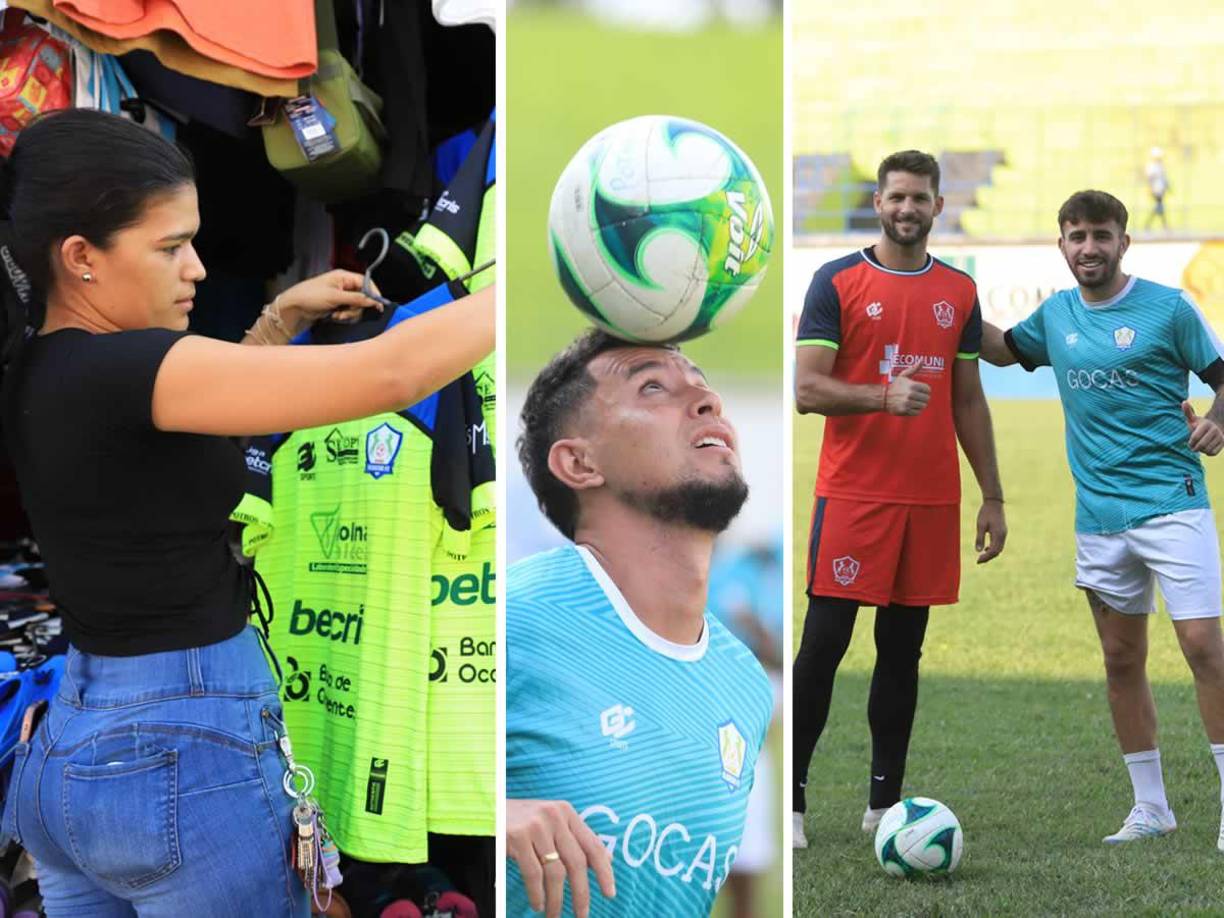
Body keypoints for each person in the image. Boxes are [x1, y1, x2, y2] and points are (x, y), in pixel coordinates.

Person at [0, 109, 494, 916]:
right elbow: (393, 374)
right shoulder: (131, 368)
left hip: (75, 756)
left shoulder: (45, 369)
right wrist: (541, 279)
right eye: (170, 248)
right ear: (81, 257)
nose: (196, 268)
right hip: (179, 757)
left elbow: (209, 408)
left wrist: (279, 320)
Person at [979, 189, 1224, 848]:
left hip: (1173, 504)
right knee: (1120, 660)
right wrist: (940, 301)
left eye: (1101, 235)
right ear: (1061, 244)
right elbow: (1004, 350)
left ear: (1123, 241)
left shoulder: (1167, 309)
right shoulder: (1057, 315)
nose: (1089, 248)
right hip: (1098, 518)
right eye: (1077, 236)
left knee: (1205, 649)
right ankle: (1151, 808)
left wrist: (1217, 423)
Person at [506, 331, 773, 917]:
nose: (707, 400)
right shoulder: (514, 621)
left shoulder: (746, 687)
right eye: (652, 387)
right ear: (579, 462)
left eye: (702, 385)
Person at [791, 150, 1007, 848]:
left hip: (930, 500)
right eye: (896, 197)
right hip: (854, 496)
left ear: (939, 206)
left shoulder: (959, 291)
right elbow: (806, 390)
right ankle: (789, 803)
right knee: (823, 646)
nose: (907, 209)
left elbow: (967, 398)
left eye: (920, 198)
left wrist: (992, 496)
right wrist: (881, 396)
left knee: (902, 651)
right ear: (877, 204)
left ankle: (883, 805)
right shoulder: (838, 281)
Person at [1144, 147, 1169, 232]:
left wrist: (1167, 188)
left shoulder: (1160, 166)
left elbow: (1164, 178)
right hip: (1156, 189)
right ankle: (1163, 225)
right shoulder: (1152, 166)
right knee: (1159, 206)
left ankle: (1149, 224)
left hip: (1161, 189)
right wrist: (1150, 188)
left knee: (1159, 206)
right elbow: (1150, 178)